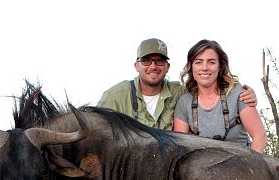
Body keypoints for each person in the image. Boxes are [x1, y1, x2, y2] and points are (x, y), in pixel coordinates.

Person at [97, 38, 258, 131]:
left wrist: (246, 94)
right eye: (146, 60)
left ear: (167, 67)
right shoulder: (114, 97)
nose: (153, 66)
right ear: (136, 65)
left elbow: (208, 89)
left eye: (159, 60)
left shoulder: (181, 94)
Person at [173, 39, 267, 153]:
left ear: (220, 66)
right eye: (198, 62)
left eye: (211, 62)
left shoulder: (237, 93)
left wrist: (252, 167)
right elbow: (180, 147)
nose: (205, 67)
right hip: (200, 168)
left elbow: (259, 136)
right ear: (191, 67)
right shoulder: (184, 102)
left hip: (241, 164)